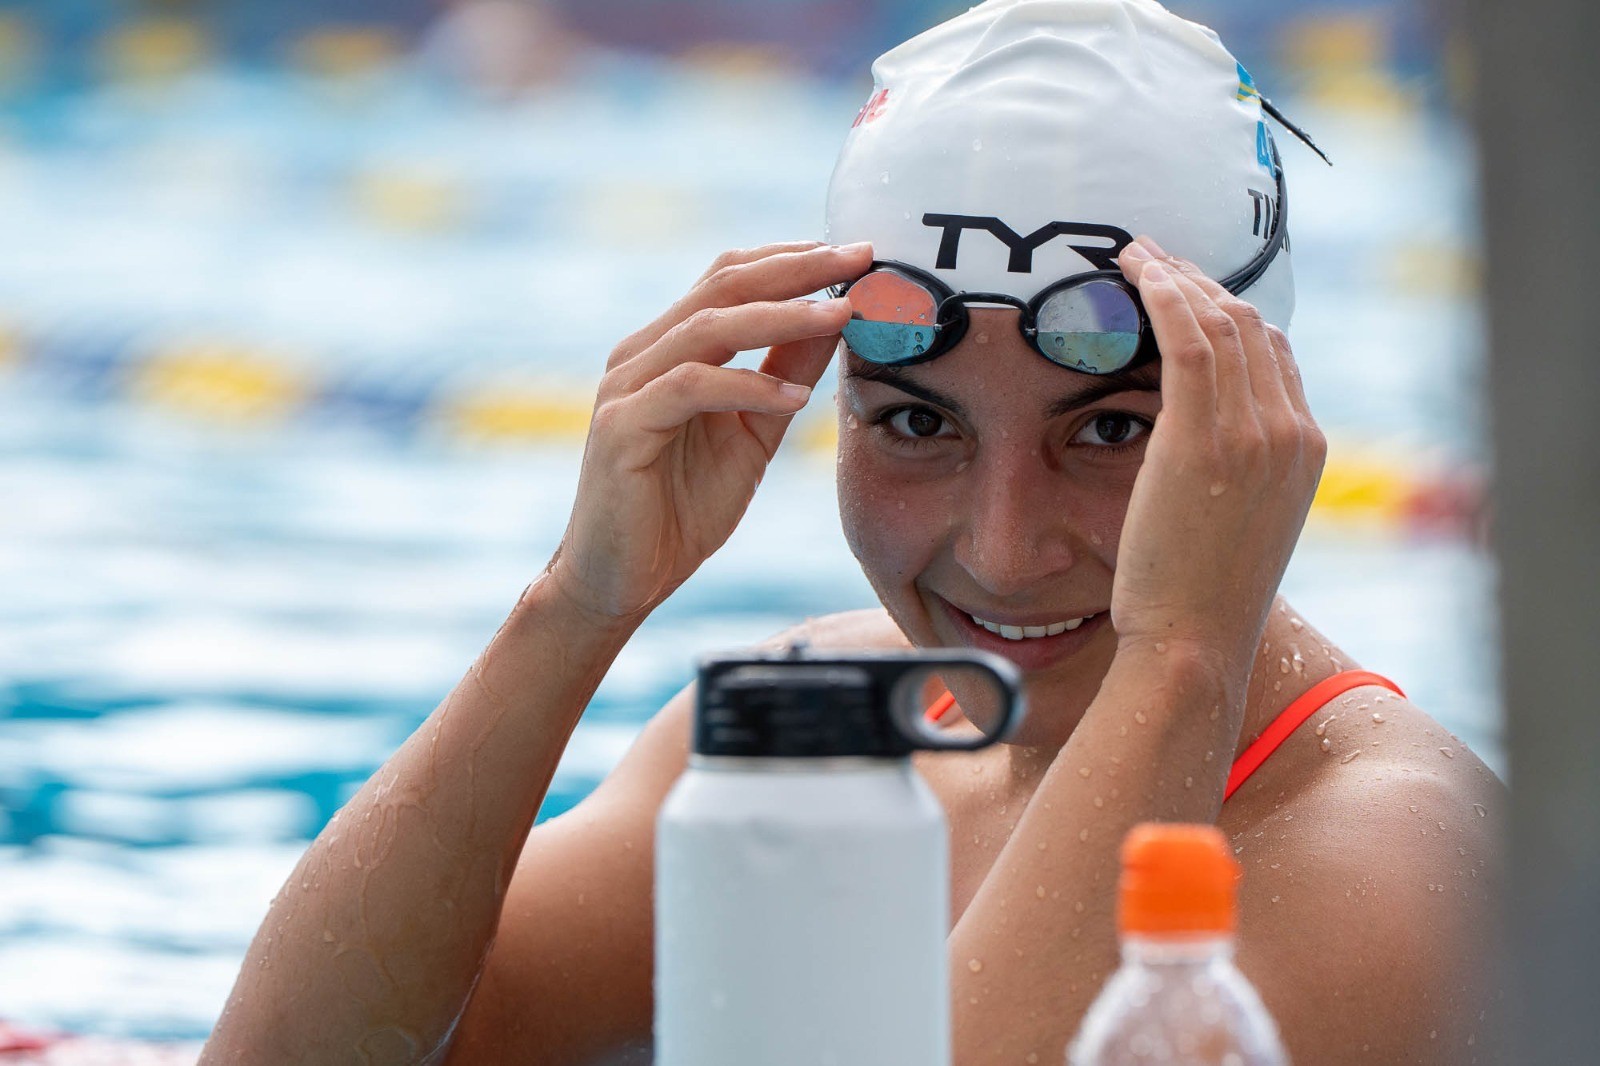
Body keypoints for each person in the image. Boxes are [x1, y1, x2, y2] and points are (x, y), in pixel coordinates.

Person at [202, 1, 1505, 1063]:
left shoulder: (1402, 860)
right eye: (919, 424)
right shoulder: (835, 737)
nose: (1000, 551)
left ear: (1257, 430)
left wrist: (1180, 658)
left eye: (1110, 430)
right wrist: (578, 603)